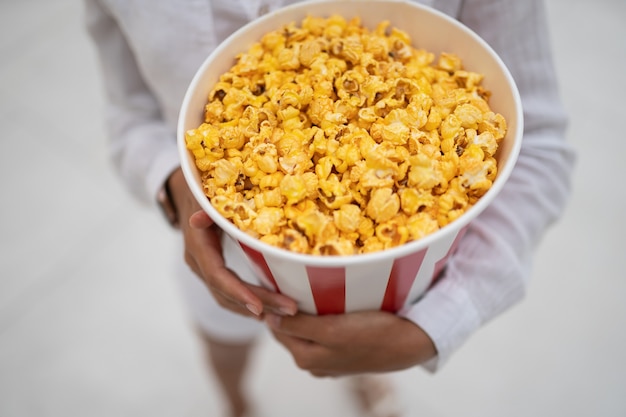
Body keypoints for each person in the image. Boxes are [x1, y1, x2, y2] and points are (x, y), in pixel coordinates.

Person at [84, 0, 575, 416]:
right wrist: (173, 184)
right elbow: (129, 116)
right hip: (219, 255)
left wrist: (434, 326)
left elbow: (539, 144)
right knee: (222, 337)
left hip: (388, 287)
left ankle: (364, 380)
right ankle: (236, 403)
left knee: (361, 346)